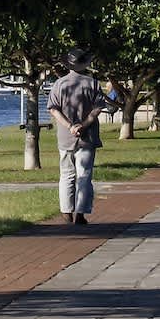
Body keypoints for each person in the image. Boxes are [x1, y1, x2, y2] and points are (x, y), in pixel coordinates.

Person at [47, 47, 103, 225]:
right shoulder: (93, 83)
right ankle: (80, 213)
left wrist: (70, 126)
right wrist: (84, 125)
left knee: (66, 175)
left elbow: (53, 109)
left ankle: (66, 213)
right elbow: (97, 109)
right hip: (88, 137)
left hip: (65, 137)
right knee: (84, 175)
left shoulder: (60, 84)